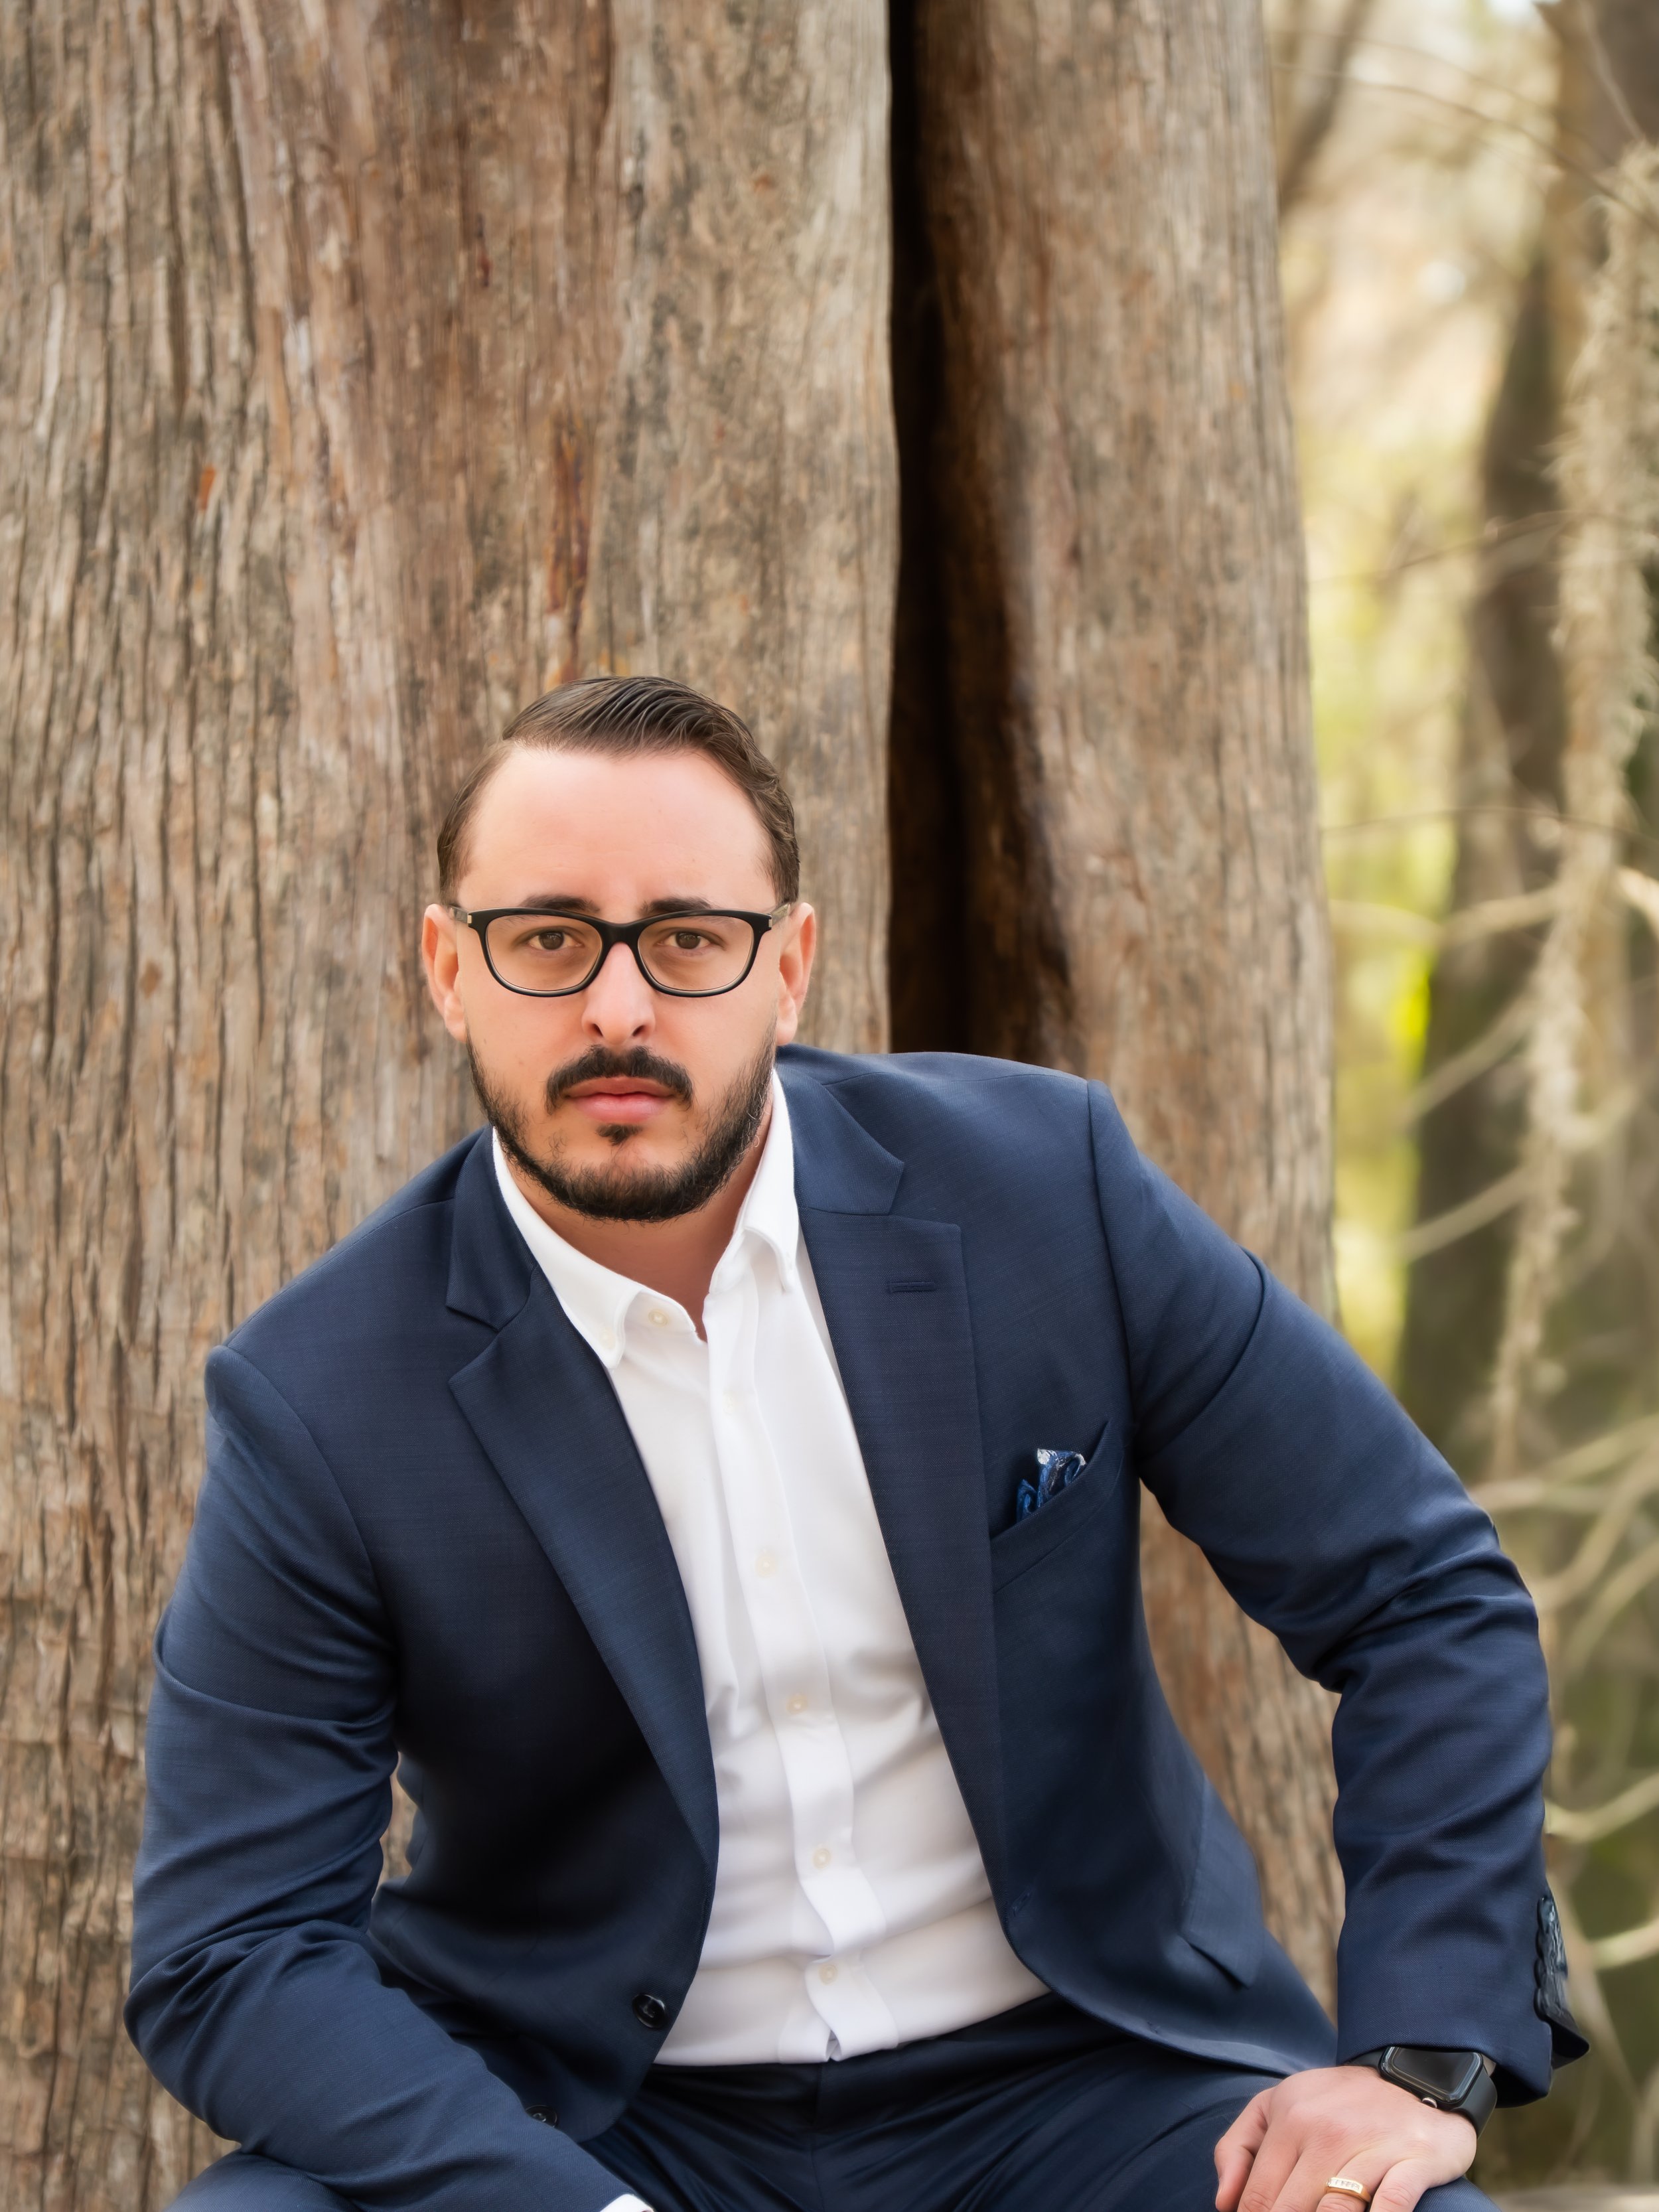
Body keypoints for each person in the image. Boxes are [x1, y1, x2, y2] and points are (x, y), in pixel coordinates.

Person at [128, 676, 1583, 2212]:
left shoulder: (1046, 1194)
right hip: (585, 2121)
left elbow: (1418, 1590)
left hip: (1089, 2090)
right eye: (547, 938)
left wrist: (1419, 2059)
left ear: (790, 966)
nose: (617, 1007)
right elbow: (234, 1945)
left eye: (688, 938)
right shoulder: (322, 1391)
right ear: (447, 968)